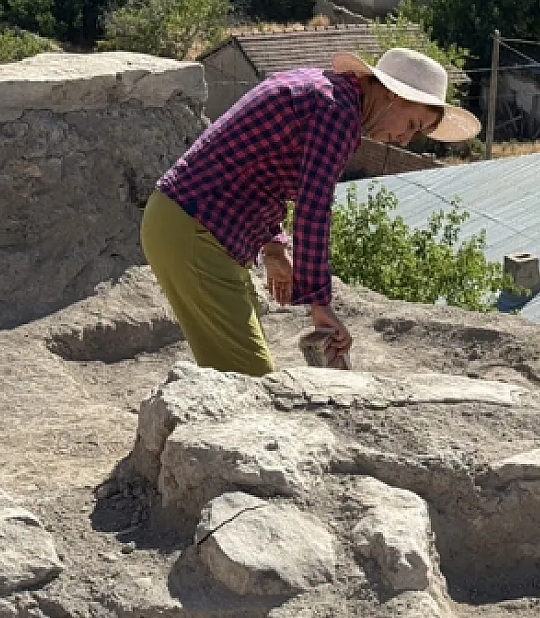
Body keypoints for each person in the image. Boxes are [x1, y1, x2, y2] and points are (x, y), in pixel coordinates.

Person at [141, 47, 481, 374]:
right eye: (411, 124)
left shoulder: (323, 91)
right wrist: (320, 303)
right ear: (394, 96)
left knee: (237, 367)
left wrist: (274, 247)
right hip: (195, 232)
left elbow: (261, 171)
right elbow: (313, 209)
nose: (405, 140)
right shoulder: (338, 112)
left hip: (183, 222)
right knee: (251, 382)